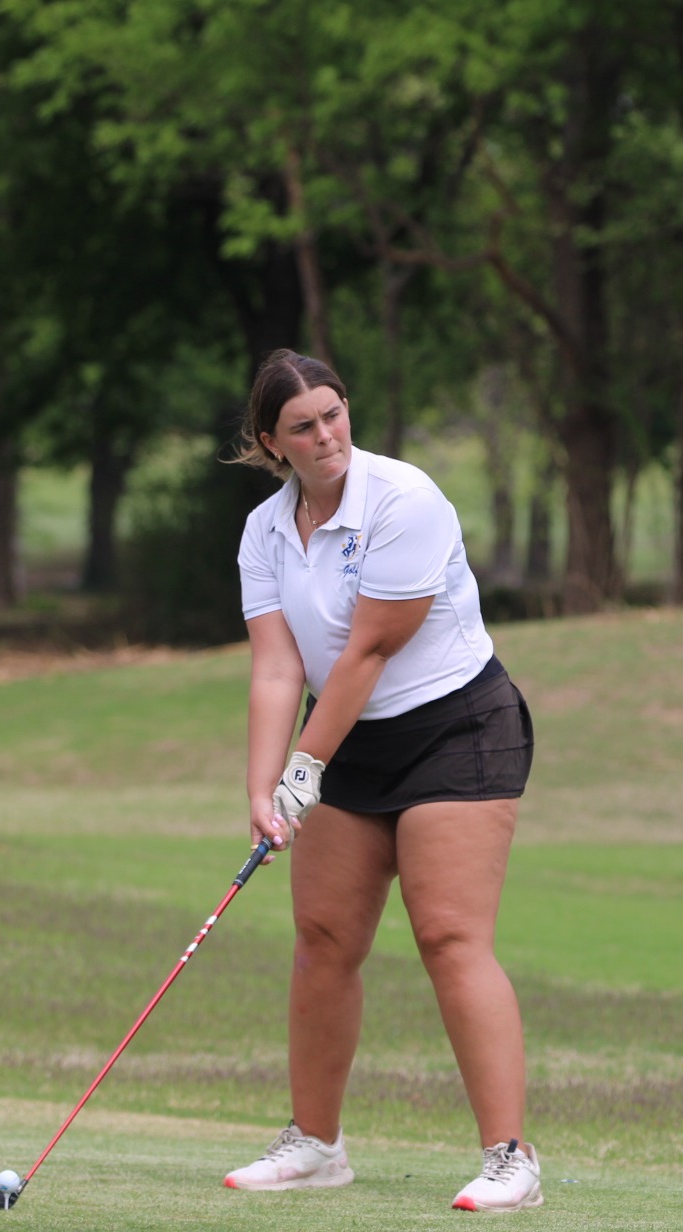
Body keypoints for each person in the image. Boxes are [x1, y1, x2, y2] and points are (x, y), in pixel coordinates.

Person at [221, 349, 541, 1213]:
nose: (325, 436)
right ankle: (316, 1145)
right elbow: (277, 668)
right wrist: (263, 789)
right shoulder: (265, 531)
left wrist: (302, 768)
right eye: (302, 425)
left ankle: (510, 1157)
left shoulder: (405, 501)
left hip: (457, 730)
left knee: (447, 935)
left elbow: (367, 652)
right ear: (271, 441)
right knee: (324, 936)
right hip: (347, 738)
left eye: (333, 414)